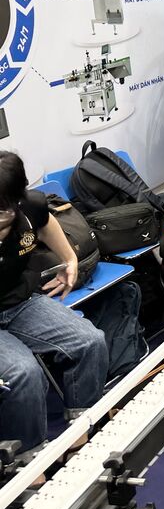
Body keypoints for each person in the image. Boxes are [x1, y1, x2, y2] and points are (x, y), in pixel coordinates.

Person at [0, 152, 108, 453]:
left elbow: (46, 223)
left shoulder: (31, 205)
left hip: (20, 302)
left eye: (3, 210)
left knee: (90, 342)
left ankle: (81, 430)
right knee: (23, 373)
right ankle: (26, 456)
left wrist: (70, 260)